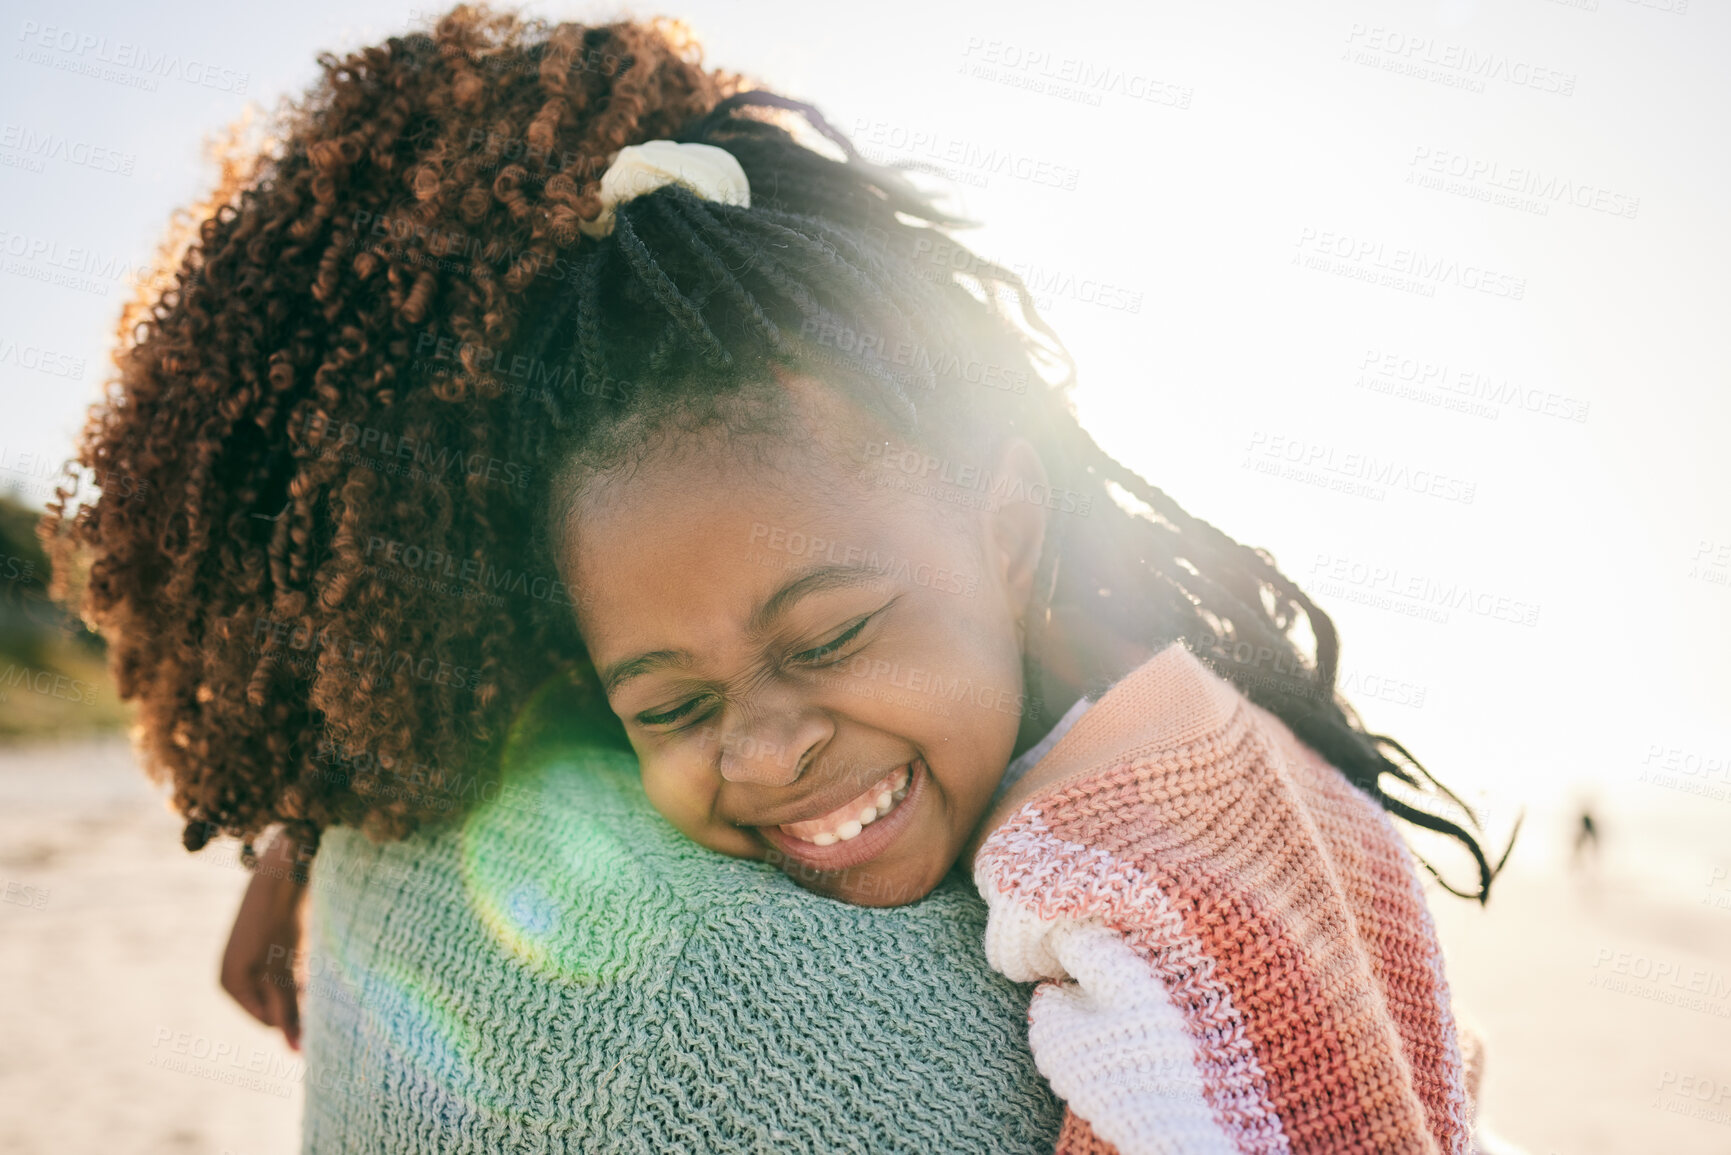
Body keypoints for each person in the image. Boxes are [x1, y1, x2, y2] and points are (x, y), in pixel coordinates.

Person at [46, 5, 1520, 1151]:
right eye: (670, 706)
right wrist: (307, 811)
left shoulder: (1164, 795)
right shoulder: (667, 622)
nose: (759, 749)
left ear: (1003, 535)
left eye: (833, 636)